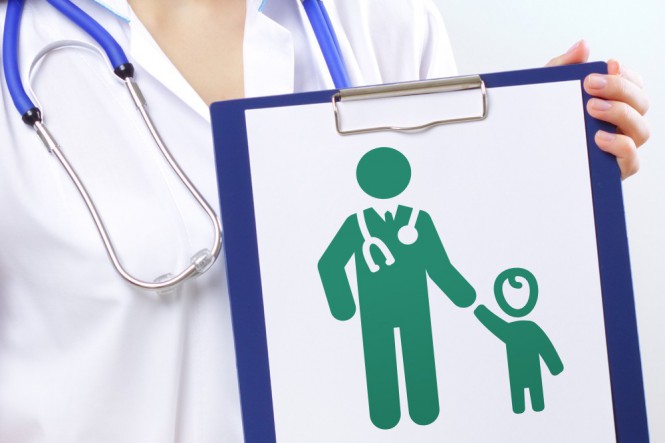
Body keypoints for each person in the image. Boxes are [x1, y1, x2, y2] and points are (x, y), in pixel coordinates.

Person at [0, 0, 650, 441]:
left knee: (415, 387)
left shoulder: (380, 19)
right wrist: (342, 292)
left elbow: (458, 246)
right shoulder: (21, 48)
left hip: (389, 338)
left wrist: (536, 155)